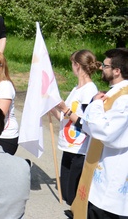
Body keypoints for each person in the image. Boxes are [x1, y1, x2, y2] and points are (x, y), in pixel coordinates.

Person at [73, 48, 128, 218]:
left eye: (105, 65)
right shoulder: (114, 92)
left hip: (112, 176)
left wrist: (95, 105)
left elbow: (106, 133)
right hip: (99, 171)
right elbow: (89, 126)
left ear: (117, 71)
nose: (101, 68)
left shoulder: (124, 99)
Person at [48, 50, 99, 206]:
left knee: (73, 197)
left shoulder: (90, 90)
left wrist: (65, 109)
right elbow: (66, 119)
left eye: (72, 63)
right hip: (69, 147)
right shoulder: (76, 89)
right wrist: (51, 108)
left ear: (77, 65)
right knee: (65, 192)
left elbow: (86, 123)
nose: (71, 66)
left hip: (80, 150)